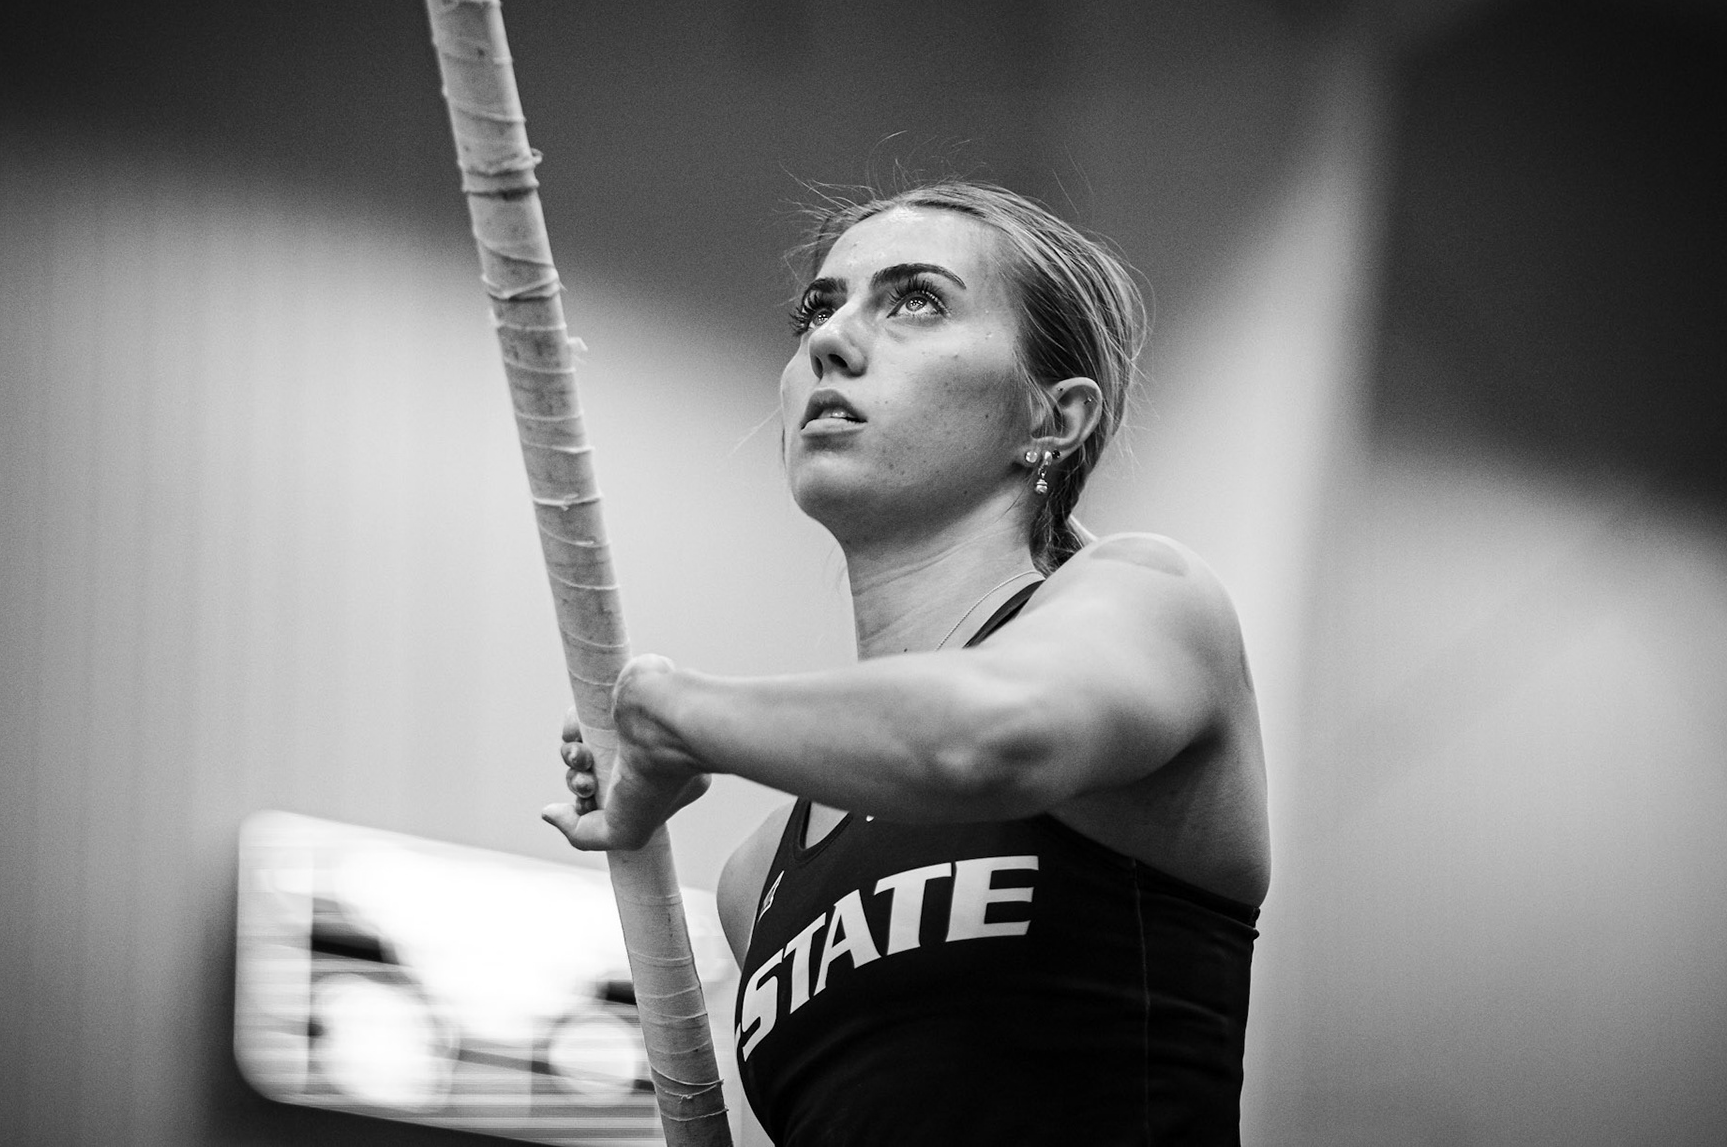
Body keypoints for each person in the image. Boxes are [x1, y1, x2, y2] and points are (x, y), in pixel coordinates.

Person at [542, 180, 1269, 1145]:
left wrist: (675, 715)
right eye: (818, 308)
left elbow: (990, 739)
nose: (831, 341)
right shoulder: (756, 880)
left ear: (1053, 419)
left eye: (916, 300)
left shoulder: (1151, 598)